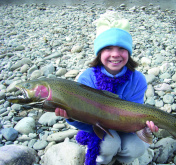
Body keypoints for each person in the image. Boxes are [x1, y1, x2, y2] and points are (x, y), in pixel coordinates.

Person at [55, 11, 158, 165]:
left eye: (122, 49)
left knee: (137, 148)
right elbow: (84, 120)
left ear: (129, 52)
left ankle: (121, 161)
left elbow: (136, 113)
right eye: (108, 48)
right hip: (96, 126)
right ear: (99, 52)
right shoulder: (87, 78)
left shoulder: (138, 79)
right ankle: (104, 161)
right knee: (109, 144)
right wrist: (70, 116)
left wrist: (146, 127)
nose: (115, 54)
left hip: (126, 125)